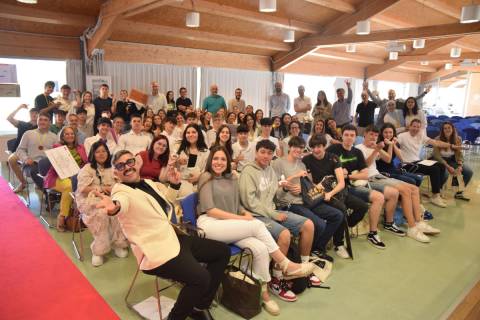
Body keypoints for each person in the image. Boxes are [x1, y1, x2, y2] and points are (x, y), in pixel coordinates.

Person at [96, 150, 230, 320]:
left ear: (136, 163)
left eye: (129, 162)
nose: (127, 168)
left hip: (173, 238)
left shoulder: (148, 183)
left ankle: (199, 305)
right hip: (156, 251)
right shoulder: (121, 191)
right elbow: (121, 203)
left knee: (222, 252)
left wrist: (174, 185)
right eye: (121, 166)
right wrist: (114, 207)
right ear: (116, 173)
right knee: (201, 278)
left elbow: (163, 203)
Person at [198, 146, 314, 315]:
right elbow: (210, 210)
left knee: (261, 250)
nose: (219, 162)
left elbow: (238, 205)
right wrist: (243, 219)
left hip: (229, 225)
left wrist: (244, 213)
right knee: (257, 225)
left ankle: (264, 294)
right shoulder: (205, 177)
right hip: (209, 224)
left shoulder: (232, 178)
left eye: (223, 159)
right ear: (210, 160)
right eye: (215, 158)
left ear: (228, 162)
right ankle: (286, 265)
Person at [239, 139, 315, 302]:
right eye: (263, 152)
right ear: (256, 153)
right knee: (284, 235)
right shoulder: (248, 171)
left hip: (272, 210)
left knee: (308, 225)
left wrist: (284, 188)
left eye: (269, 153)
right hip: (255, 215)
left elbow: (275, 196)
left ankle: (303, 268)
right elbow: (249, 202)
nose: (266, 156)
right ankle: (276, 279)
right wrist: (274, 215)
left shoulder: (270, 171)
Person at [356, 126, 440, 243]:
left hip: (379, 175)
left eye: (375, 135)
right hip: (371, 178)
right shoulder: (358, 148)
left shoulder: (375, 146)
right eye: (371, 134)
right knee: (405, 190)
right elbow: (364, 166)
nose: (373, 137)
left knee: (414, 188)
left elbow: (388, 159)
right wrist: (376, 150)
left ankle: (418, 222)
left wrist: (388, 145)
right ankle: (412, 227)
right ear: (365, 134)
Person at [273, 137, 343, 262]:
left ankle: (317, 248)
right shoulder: (279, 163)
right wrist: (294, 177)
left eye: (301, 148)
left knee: (337, 215)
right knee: (320, 224)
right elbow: (275, 188)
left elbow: (307, 185)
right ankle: (308, 253)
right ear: (289, 147)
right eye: (295, 146)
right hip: (290, 203)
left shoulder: (302, 164)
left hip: (305, 200)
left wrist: (303, 188)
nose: (298, 150)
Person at [303, 133, 369, 259]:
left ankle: (345, 226)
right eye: (313, 147)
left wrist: (330, 193)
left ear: (324, 146)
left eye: (319, 146)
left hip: (337, 191)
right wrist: (323, 192)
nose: (316, 150)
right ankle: (339, 243)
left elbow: (341, 182)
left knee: (362, 207)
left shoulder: (333, 158)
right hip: (319, 193)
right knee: (341, 210)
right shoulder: (307, 160)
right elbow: (310, 183)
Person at [327, 125, 389, 249]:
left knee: (371, 202)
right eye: (346, 135)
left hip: (352, 186)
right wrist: (337, 172)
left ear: (356, 138)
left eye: (352, 135)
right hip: (336, 186)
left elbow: (365, 175)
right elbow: (324, 165)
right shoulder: (333, 148)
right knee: (342, 206)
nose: (349, 138)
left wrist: (348, 176)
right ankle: (340, 235)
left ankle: (367, 231)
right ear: (342, 136)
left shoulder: (357, 152)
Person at [76, 141, 128, 266]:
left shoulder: (112, 167)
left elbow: (120, 182)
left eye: (103, 151)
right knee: (102, 214)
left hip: (110, 197)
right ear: (93, 154)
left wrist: (113, 188)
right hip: (90, 199)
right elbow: (83, 189)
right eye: (98, 151)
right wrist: (101, 189)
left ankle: (118, 243)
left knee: (117, 210)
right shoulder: (87, 168)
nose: (101, 154)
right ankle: (99, 251)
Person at [397, 119, 455, 208]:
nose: (415, 129)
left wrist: (450, 145)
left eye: (418, 127)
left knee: (441, 165)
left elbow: (435, 142)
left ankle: (436, 193)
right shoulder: (402, 136)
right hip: (408, 164)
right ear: (409, 126)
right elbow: (394, 144)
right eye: (414, 126)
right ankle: (435, 196)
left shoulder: (420, 135)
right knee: (434, 169)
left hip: (418, 161)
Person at [43, 126, 87, 231]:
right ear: (62, 136)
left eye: (72, 133)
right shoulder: (57, 147)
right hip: (58, 177)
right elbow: (57, 167)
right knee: (69, 186)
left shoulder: (81, 147)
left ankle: (84, 217)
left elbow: (86, 163)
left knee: (84, 185)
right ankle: (62, 217)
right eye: (66, 134)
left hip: (77, 176)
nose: (70, 135)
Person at [13, 113, 57, 192]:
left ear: (50, 122)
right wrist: (26, 159)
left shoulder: (54, 137)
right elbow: (20, 150)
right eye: (40, 119)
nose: (42, 122)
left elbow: (57, 152)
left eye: (45, 120)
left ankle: (52, 191)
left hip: (47, 164)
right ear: (37, 121)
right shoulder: (28, 134)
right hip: (31, 164)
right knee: (35, 172)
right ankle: (47, 193)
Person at [433, 122, 472, 201]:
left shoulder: (458, 139)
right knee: (445, 173)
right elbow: (436, 155)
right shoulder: (437, 139)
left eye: (449, 128)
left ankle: (459, 193)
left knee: (468, 172)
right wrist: (448, 166)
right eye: (445, 128)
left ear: (453, 129)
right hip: (440, 159)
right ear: (442, 130)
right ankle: (438, 192)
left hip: (452, 159)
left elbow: (459, 153)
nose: (447, 130)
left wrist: (460, 165)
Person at [364, 81, 431, 128]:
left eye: (392, 93)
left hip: (394, 126)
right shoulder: (384, 102)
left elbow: (413, 99)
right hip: (381, 125)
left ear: (395, 94)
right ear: (388, 95)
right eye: (390, 93)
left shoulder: (399, 102)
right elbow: (374, 99)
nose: (391, 95)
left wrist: (424, 92)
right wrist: (367, 90)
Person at [176, 124, 210, 197]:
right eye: (188, 133)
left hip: (201, 184)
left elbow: (208, 171)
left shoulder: (206, 152)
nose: (191, 134)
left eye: (194, 132)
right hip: (183, 183)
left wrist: (199, 177)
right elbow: (175, 170)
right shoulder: (181, 150)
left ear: (199, 134)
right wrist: (178, 162)